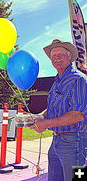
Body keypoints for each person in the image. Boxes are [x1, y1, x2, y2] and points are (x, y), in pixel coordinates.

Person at [30, 39, 87, 181]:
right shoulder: (56, 82)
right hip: (56, 140)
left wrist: (47, 124)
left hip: (75, 141)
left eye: (60, 54)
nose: (56, 58)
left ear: (70, 57)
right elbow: (51, 109)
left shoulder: (78, 80)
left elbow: (78, 115)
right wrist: (36, 117)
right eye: (53, 56)